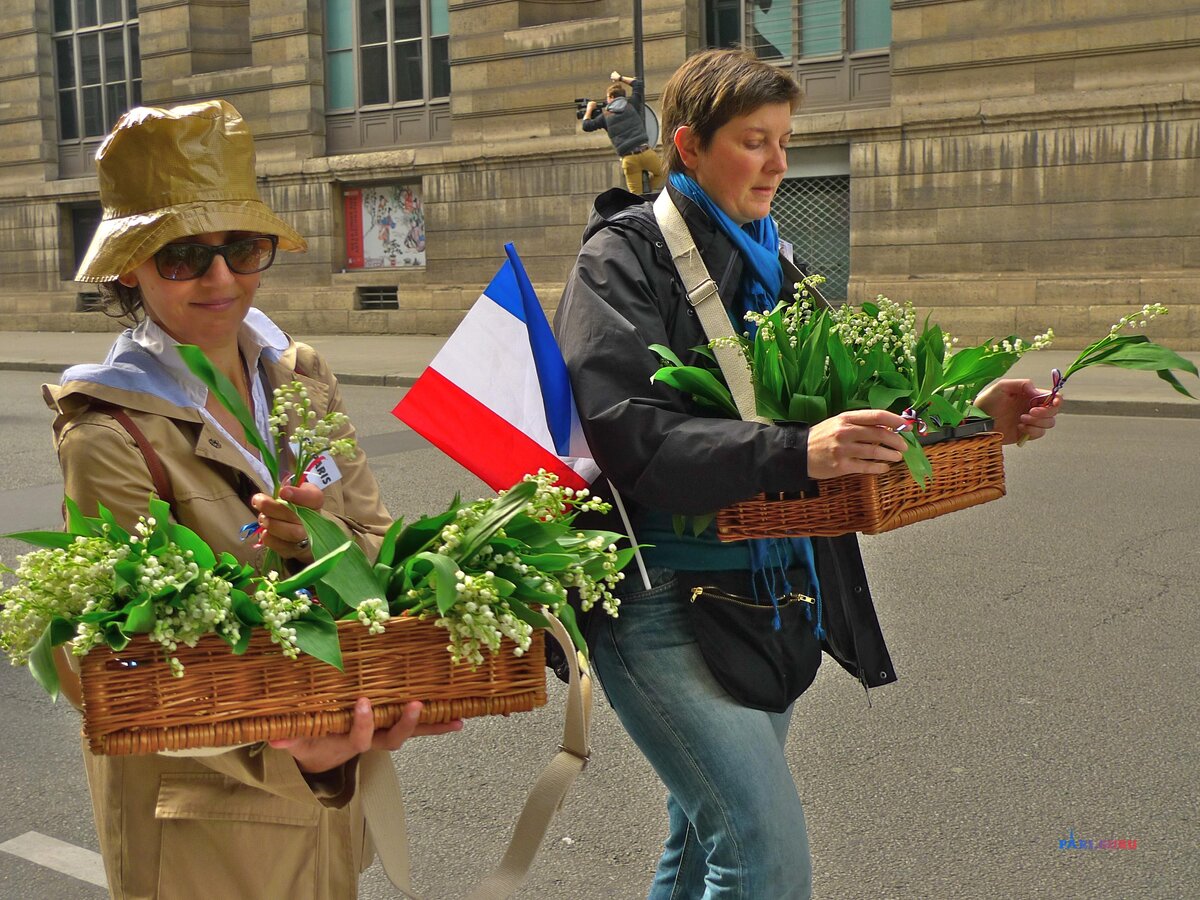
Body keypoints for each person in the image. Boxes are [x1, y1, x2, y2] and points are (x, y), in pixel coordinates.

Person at [553, 49, 1060, 899]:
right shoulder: (623, 259)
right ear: (687, 144)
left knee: (701, 842)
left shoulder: (772, 259)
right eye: (756, 141)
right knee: (762, 858)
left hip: (771, 588)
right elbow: (628, 439)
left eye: (786, 140)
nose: (781, 164)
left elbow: (851, 402)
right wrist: (799, 453)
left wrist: (976, 416)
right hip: (660, 597)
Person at [44, 99, 462, 899]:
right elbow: (116, 659)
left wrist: (317, 542)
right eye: (183, 257)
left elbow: (373, 537)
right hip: (202, 817)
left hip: (326, 778)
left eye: (242, 247)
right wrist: (286, 746)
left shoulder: (297, 373)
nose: (223, 279)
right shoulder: (107, 429)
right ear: (129, 267)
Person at [582, 70, 666, 195]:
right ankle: (647, 190)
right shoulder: (632, 104)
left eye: (607, 97)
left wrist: (589, 109)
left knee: (635, 198)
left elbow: (586, 125)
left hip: (629, 159)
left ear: (611, 97)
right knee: (663, 172)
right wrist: (619, 77)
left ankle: (642, 197)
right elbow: (638, 84)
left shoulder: (605, 116)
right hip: (646, 153)